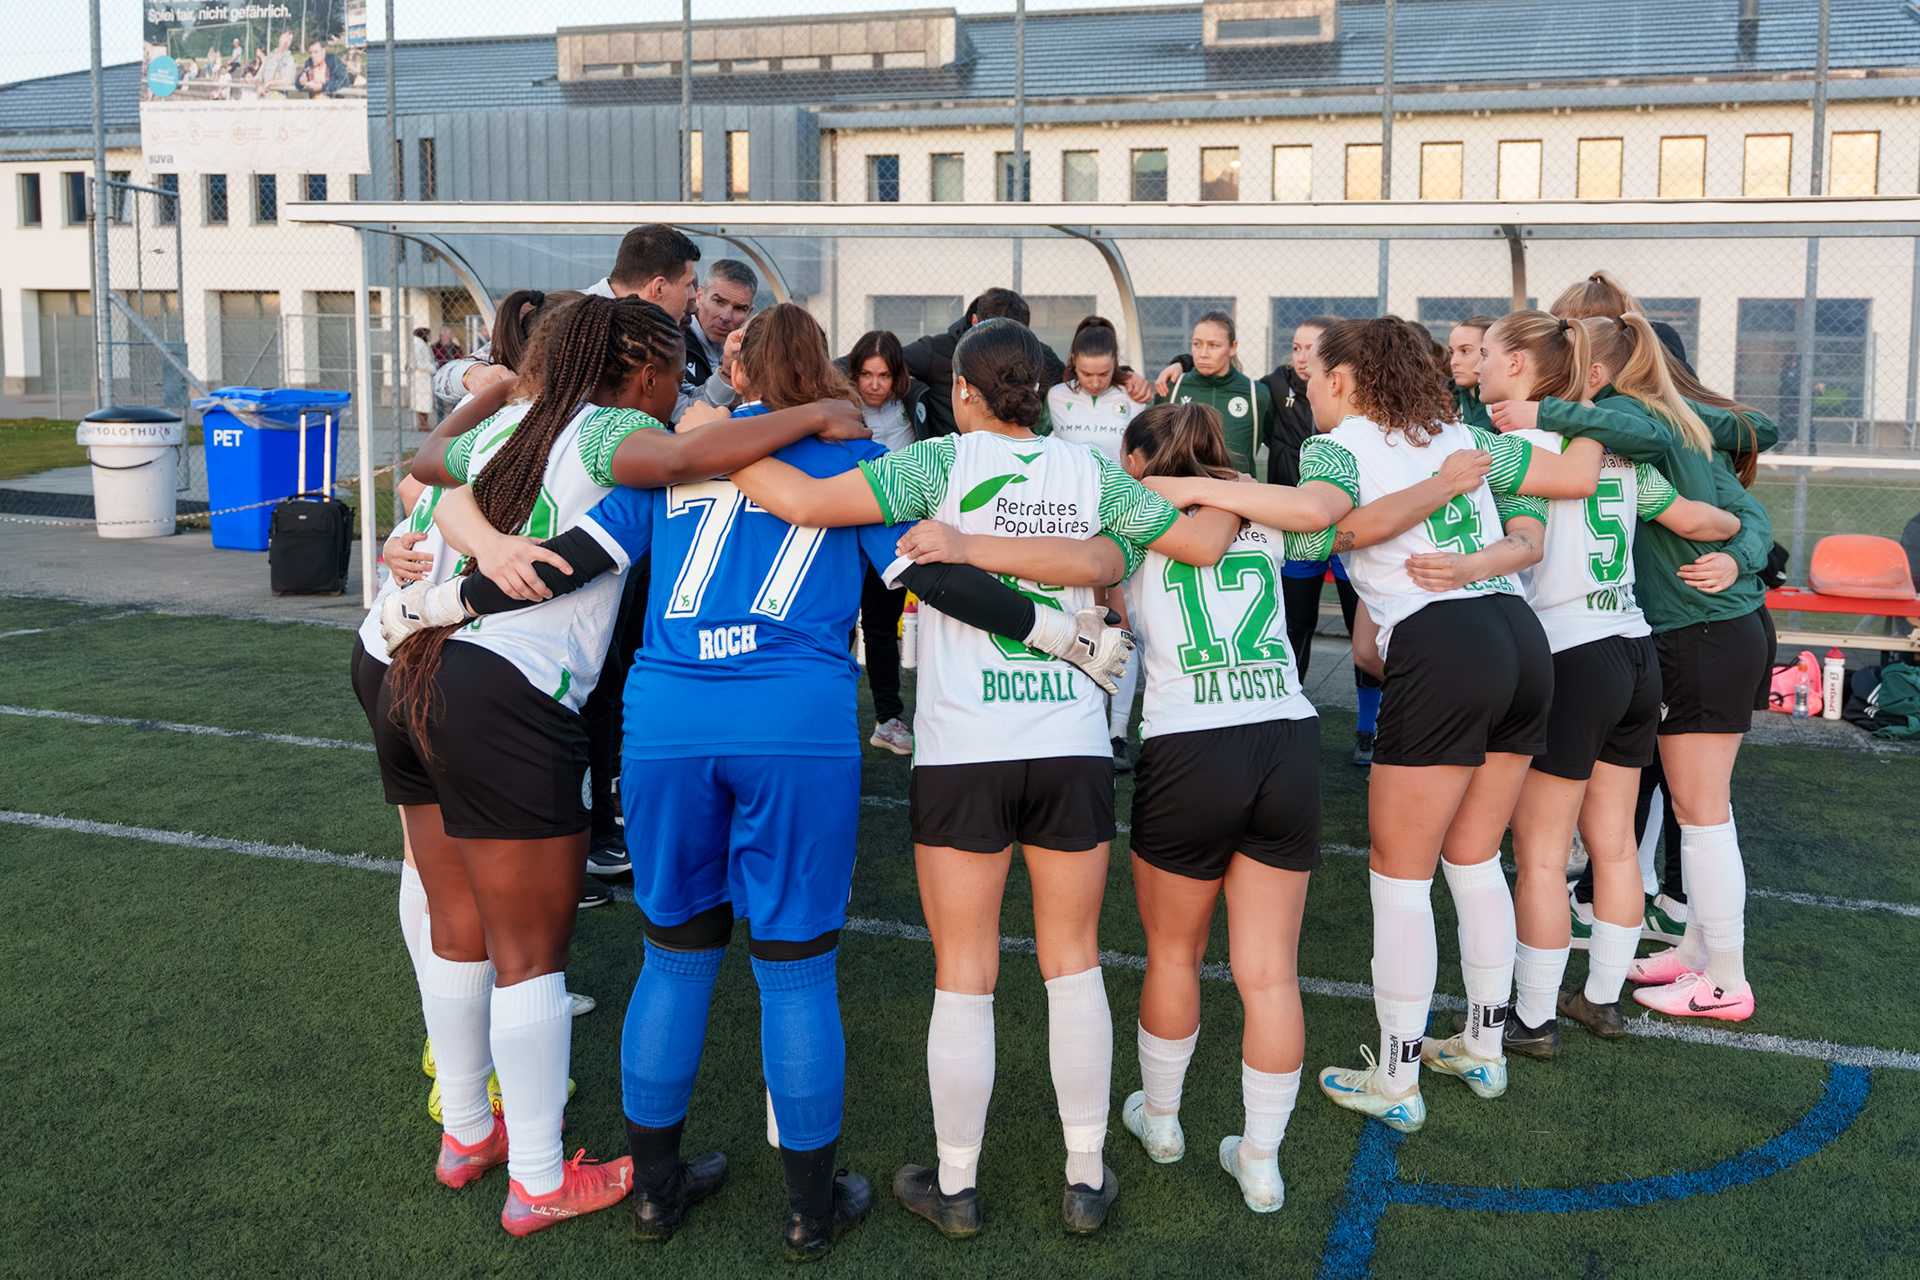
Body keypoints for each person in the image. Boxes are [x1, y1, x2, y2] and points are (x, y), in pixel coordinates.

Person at [393, 304, 1134, 1259]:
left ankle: (655, 1190)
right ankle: (807, 1206)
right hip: (795, 723)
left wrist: (435, 598)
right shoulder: (850, 464)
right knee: (796, 971)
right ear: (822, 379)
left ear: (741, 380)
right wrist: (1055, 632)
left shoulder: (681, 459)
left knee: (674, 957)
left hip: (668, 724)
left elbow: (560, 562)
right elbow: (932, 575)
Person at [725, 317, 1247, 1237]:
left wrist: (712, 443)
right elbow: (1197, 544)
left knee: (964, 973)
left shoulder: (937, 466)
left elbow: (801, 504)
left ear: (963, 392)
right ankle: (1085, 1174)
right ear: (1042, 393)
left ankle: (956, 1185)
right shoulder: (1089, 473)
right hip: (1071, 737)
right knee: (1073, 963)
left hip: (967, 746)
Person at [1147, 316, 1603, 1132]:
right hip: (1518, 637)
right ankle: (1486, 1045)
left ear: (1348, 381)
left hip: (1444, 642)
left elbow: (1316, 516)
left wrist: (1201, 487)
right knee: (1474, 859)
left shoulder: (1340, 445)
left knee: (1400, 876)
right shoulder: (1460, 433)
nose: (1307, 388)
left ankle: (1397, 1073)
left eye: (1316, 375)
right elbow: (1554, 505)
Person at [1115, 401, 1500, 1214]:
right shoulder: (1274, 513)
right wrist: (1439, 484)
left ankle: (1162, 1121)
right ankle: (1260, 1159)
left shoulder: (1135, 511)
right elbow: (1357, 526)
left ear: (1148, 459)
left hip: (1191, 741)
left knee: (1175, 955)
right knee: (1268, 974)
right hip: (1285, 737)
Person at [1491, 308, 1778, 1023]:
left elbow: (1514, 531)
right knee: (1618, 845)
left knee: (1547, 853)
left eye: (1487, 351)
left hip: (1576, 651)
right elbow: (1706, 520)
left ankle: (1530, 1019)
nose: (1476, 364)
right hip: (1635, 650)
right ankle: (1604, 999)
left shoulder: (1511, 449)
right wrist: (1737, 545)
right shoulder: (1623, 451)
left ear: (1529, 370)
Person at [435, 225, 713, 417]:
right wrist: (475, 376)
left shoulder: (660, 330)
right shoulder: (566, 314)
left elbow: (686, 402)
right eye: (689, 285)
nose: (693, 297)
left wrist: (727, 376)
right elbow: (446, 377)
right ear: (659, 287)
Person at [1046, 316, 1150, 768]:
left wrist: (1129, 384)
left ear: (1117, 368)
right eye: (1086, 373)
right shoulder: (1054, 396)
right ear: (1073, 363)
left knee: (1121, 626)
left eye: (1104, 374)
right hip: (1069, 526)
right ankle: (1075, 718)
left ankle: (1118, 730)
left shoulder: (1132, 397)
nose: (1093, 381)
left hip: (1120, 522)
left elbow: (1144, 461)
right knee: (1073, 621)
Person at [843, 328, 931, 754]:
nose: (874, 384)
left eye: (883, 375)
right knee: (837, 620)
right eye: (865, 374)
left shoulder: (917, 404)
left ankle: (888, 719)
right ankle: (833, 712)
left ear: (899, 377)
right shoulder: (838, 406)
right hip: (843, 526)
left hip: (893, 531)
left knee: (880, 627)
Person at [901, 288, 1151, 438]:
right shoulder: (936, 350)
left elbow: (1078, 381)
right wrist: (911, 393)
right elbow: (885, 363)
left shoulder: (1039, 356)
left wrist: (1123, 376)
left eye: (1016, 340)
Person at [1155, 311, 1271, 478]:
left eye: (1214, 345)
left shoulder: (1257, 394)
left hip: (1237, 496)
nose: (1203, 353)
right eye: (1197, 344)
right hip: (1183, 495)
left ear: (1233, 348)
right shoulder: (1172, 388)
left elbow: (1282, 443)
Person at [682, 259, 758, 406]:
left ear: (749, 312)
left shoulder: (749, 351)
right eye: (719, 302)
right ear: (699, 296)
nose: (726, 316)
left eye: (739, 308)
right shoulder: (675, 342)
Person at [1448, 316, 1496, 431]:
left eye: (1465, 351)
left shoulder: (1515, 401)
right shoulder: (1442, 399)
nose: (1453, 362)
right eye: (1451, 352)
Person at [257, 31, 297, 96]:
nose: (286, 42)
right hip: (263, 98)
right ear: (280, 38)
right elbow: (258, 77)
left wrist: (270, 83)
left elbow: (287, 81)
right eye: (285, 37)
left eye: (289, 40)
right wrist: (259, 86)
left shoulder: (290, 60)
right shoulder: (269, 57)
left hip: (278, 100)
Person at [410, 328, 436, 431]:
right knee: (421, 402)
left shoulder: (424, 345)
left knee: (425, 401)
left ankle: (424, 423)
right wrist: (432, 368)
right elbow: (419, 363)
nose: (431, 337)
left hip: (425, 376)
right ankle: (422, 424)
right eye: (429, 335)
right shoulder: (419, 346)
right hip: (421, 377)